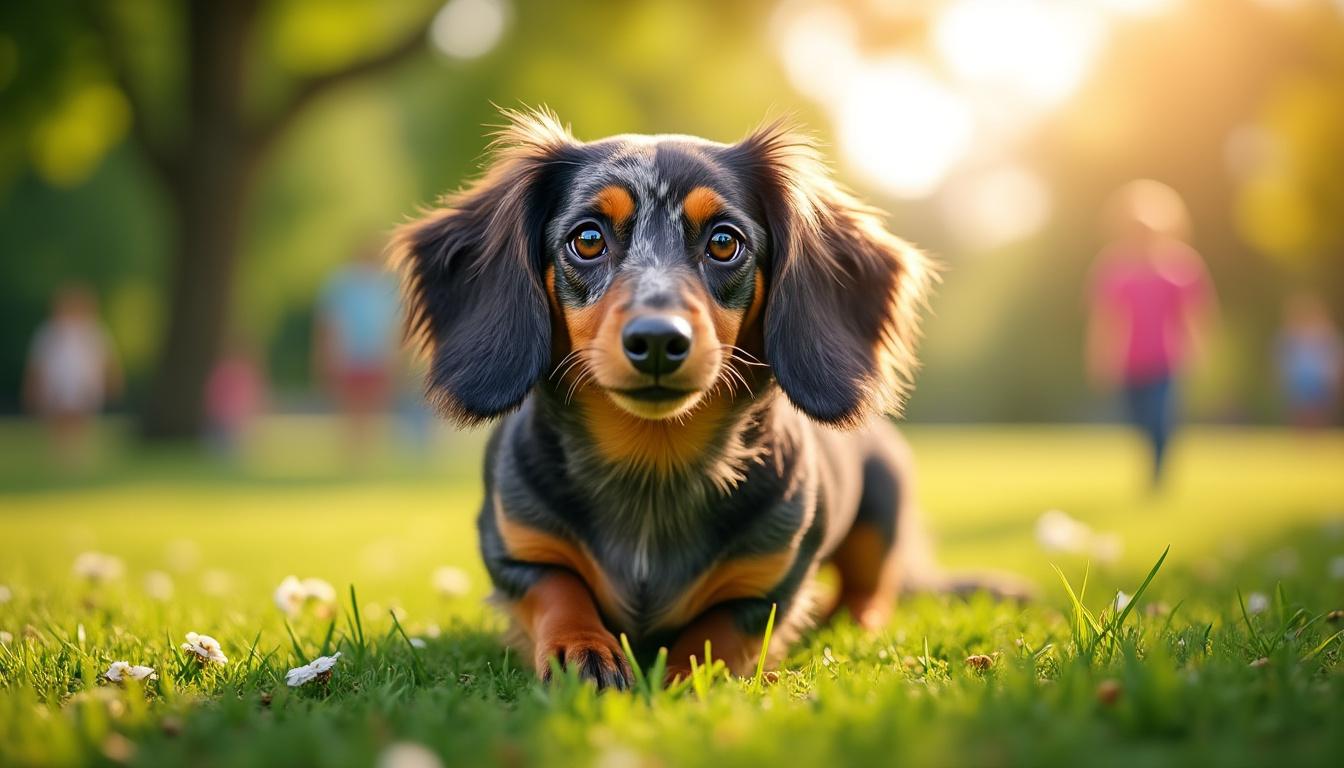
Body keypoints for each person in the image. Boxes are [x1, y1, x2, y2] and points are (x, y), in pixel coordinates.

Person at [1086, 180, 1217, 488]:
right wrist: (1099, 356)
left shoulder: (1180, 266)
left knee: (1160, 418)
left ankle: (1158, 474)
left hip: (1166, 360)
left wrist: (1200, 352)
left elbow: (1195, 316)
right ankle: (1152, 459)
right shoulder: (1114, 268)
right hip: (1130, 361)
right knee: (1139, 419)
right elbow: (1104, 318)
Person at [314, 247, 401, 457]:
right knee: (351, 405)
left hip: (376, 355)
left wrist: (395, 356)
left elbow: (393, 326)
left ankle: (366, 451)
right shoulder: (342, 285)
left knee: (372, 406)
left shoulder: (386, 286)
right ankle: (352, 451)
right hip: (349, 355)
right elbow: (330, 323)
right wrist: (327, 354)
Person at [23, 284, 121, 466]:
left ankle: (77, 457)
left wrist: (112, 383)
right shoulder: (49, 332)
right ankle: (61, 457)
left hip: (85, 384)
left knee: (80, 420)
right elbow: (38, 364)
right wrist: (34, 387)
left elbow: (108, 360)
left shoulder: (94, 331)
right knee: (58, 420)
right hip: (58, 384)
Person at [1276, 293, 1342, 429]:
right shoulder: (1291, 335)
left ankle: (1317, 437)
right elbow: (1284, 358)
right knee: (1301, 413)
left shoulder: (1325, 335)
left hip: (1319, 381)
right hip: (1300, 381)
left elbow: (1334, 358)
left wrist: (1332, 377)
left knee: (1317, 413)